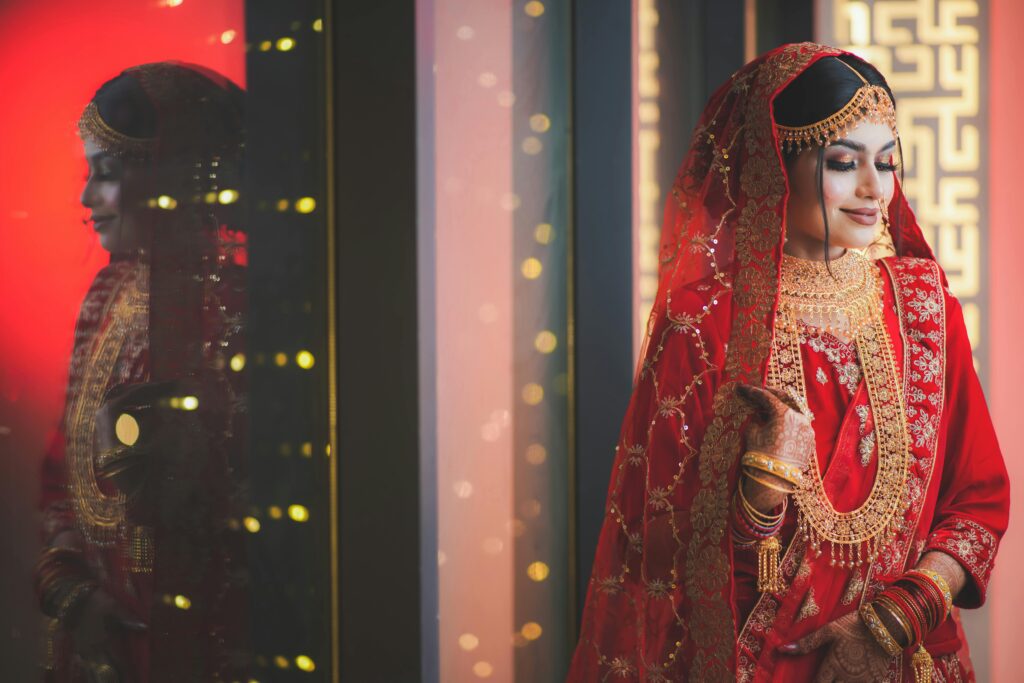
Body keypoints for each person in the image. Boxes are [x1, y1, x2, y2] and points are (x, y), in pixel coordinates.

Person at [567, 42, 1009, 682]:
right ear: (775, 164)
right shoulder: (707, 324)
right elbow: (658, 556)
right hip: (769, 665)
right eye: (841, 162)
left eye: (885, 163)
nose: (873, 188)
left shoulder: (924, 306)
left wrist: (892, 620)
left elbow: (978, 500)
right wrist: (762, 488)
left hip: (906, 661)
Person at [34, 63, 248, 682]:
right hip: (103, 642)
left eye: (107, 172)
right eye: (89, 172)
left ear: (174, 175)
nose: (86, 199)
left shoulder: (239, 312)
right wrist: (72, 588)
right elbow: (61, 473)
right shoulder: (108, 295)